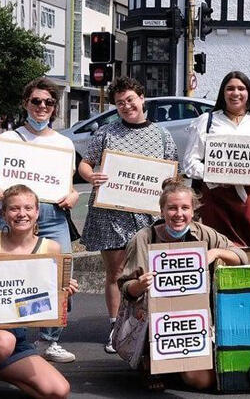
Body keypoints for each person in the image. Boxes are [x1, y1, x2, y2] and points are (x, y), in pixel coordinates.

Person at [78, 77, 179, 354]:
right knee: (115, 272)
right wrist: (92, 176)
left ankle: (144, 324)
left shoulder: (161, 135)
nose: (126, 106)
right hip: (110, 213)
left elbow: (173, 174)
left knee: (145, 271)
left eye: (130, 100)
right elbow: (85, 165)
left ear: (142, 98)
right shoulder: (106, 133)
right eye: (120, 103)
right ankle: (115, 327)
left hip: (146, 215)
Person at [117, 178, 247, 392]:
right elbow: (126, 289)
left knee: (202, 381)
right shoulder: (144, 237)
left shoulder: (204, 233)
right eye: (172, 208)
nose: (179, 214)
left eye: (185, 208)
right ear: (161, 211)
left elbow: (242, 257)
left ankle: (173, 364)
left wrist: (216, 252)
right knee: (149, 315)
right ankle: (148, 360)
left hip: (190, 321)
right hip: (150, 315)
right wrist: (140, 285)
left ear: (193, 210)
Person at [0, 77, 79, 363]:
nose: (42, 106)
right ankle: (2, 335)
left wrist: (73, 195)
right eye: (36, 101)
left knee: (60, 275)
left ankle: (49, 340)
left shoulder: (64, 144)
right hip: (12, 215)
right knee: (0, 275)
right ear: (26, 103)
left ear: (55, 108)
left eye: (48, 102)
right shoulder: (5, 140)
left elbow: (67, 183)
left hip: (52, 216)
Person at [0, 185, 78, 398]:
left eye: (28, 208)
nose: (21, 214)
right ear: (4, 213)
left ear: (37, 212)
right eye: (14, 209)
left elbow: (46, 301)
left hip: (16, 337)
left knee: (57, 391)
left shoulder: (51, 248)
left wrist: (63, 293)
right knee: (2, 342)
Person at [183, 71, 250, 247]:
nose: (235, 93)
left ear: (248, 92)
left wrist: (248, 174)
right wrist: (218, 174)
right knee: (218, 249)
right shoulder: (206, 122)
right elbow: (190, 163)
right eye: (230, 88)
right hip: (217, 197)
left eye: (241, 88)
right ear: (223, 92)